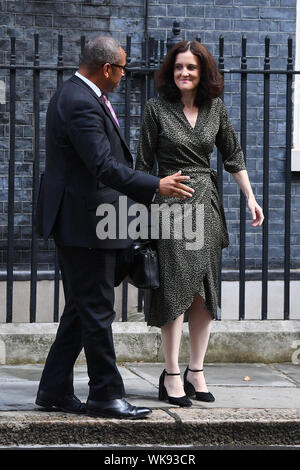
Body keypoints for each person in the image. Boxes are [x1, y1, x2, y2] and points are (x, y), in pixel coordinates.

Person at [35, 36, 194, 419]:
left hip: (85, 220)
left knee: (81, 309)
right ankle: (105, 395)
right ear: (107, 68)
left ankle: (54, 388)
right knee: (97, 312)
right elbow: (103, 166)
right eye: (122, 69)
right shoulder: (79, 103)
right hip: (85, 224)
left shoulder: (76, 96)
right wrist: (155, 185)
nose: (123, 77)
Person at [135, 40, 264, 407]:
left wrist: (251, 198)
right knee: (174, 286)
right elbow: (142, 166)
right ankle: (171, 373)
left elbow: (233, 155)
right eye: (178, 67)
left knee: (203, 292)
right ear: (170, 72)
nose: (184, 73)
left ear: (203, 71)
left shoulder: (215, 108)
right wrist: (141, 215)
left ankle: (196, 370)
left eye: (190, 67)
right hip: (171, 206)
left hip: (206, 205)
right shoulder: (155, 109)